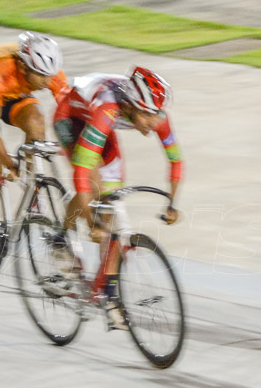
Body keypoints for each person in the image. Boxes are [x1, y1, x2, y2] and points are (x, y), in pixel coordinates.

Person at [53, 67, 182, 329]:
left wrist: (172, 204)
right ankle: (61, 237)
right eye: (147, 115)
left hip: (98, 122)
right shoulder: (108, 109)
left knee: (111, 210)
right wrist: (90, 224)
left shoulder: (154, 113)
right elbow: (81, 173)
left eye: (157, 114)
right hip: (70, 116)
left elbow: (176, 159)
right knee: (94, 185)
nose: (154, 122)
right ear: (132, 107)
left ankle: (109, 294)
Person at [0, 31, 68, 275]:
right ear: (23, 65)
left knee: (36, 122)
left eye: (49, 76)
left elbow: (69, 112)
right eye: (40, 75)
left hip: (14, 95)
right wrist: (9, 163)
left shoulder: (48, 73)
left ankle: (33, 191)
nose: (46, 81)